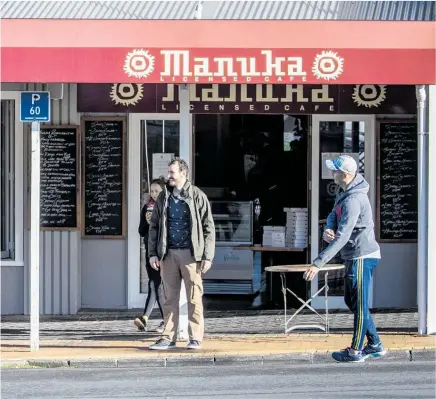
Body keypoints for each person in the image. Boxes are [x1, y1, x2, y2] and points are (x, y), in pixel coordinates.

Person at [303, 155, 386, 363]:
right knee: (352, 301)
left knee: (359, 305)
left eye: (335, 171)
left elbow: (343, 237)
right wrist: (329, 227)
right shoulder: (345, 193)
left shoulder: (354, 200)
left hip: (361, 255)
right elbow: (333, 214)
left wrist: (318, 263)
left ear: (345, 175)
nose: (332, 174)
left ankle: (356, 351)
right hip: (353, 255)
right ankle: (375, 343)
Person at [148, 157, 215, 350]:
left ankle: (195, 337)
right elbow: (154, 227)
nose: (168, 176)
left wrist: (207, 256)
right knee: (169, 298)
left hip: (191, 255)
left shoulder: (196, 195)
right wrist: (153, 253)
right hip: (168, 254)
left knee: (194, 297)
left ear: (183, 173)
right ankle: (168, 337)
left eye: (172, 173)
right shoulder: (163, 197)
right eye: (168, 172)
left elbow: (208, 226)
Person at [134, 177, 166, 333]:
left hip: (163, 253)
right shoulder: (146, 207)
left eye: (157, 191)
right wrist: (147, 223)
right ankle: (147, 318)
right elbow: (141, 231)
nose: (154, 194)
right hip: (150, 251)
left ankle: (160, 320)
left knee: (156, 285)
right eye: (151, 191)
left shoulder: (167, 206)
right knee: (154, 284)